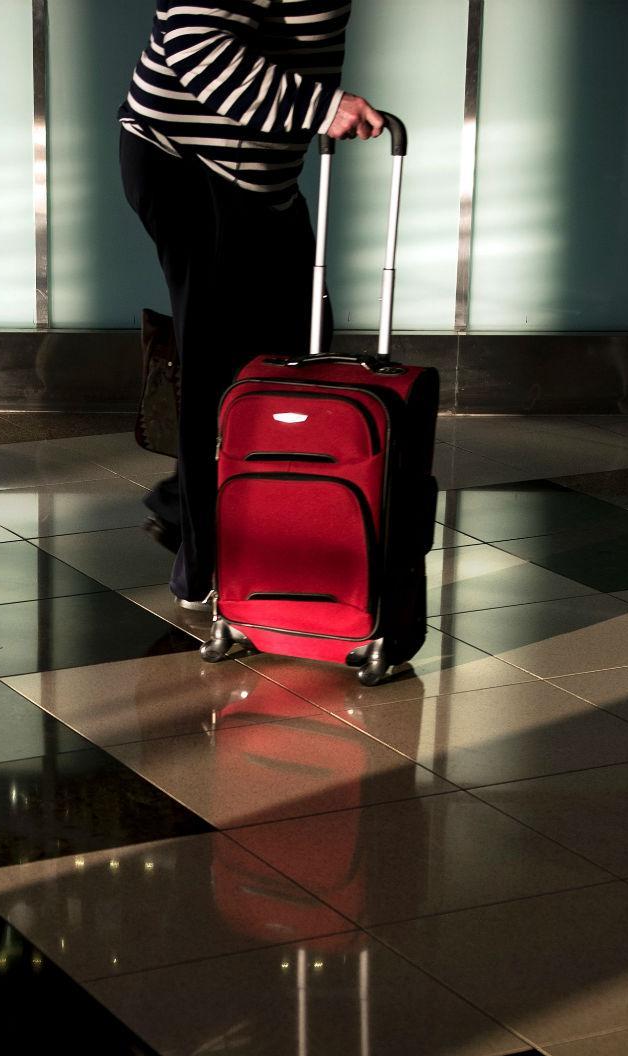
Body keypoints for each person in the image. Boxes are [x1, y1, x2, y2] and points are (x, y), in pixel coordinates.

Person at [118, 1, 386, 610]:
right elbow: (195, 44)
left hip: (261, 172)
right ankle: (206, 568)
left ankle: (197, 501)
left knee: (296, 344)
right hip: (188, 159)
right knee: (217, 358)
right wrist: (323, 107)